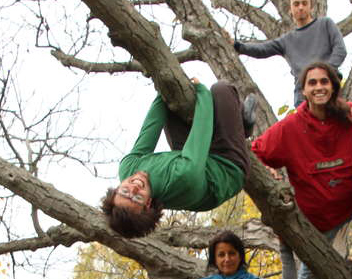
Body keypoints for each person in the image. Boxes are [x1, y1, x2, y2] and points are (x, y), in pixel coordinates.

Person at [251, 62, 352, 279]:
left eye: (324, 82)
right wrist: (267, 173)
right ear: (303, 90)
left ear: (333, 86)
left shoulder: (350, 114)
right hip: (318, 220)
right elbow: (254, 153)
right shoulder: (290, 128)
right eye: (312, 82)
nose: (319, 87)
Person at [101, 80, 256, 237]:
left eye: (125, 191)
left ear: (116, 191)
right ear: (148, 203)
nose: (133, 188)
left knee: (172, 105)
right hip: (226, 164)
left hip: (188, 157)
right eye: (136, 197)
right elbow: (201, 131)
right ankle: (243, 125)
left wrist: (165, 88)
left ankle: (231, 121)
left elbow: (150, 127)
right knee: (221, 90)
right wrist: (201, 90)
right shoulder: (182, 178)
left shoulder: (127, 169)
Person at [233, 0, 347, 106]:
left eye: (304, 3)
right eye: (296, 4)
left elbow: (340, 50)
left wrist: (325, 72)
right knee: (304, 124)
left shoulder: (325, 24)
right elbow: (262, 49)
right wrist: (238, 46)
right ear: (290, 10)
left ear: (311, 7)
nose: (301, 7)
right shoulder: (287, 40)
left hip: (328, 86)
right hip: (302, 93)